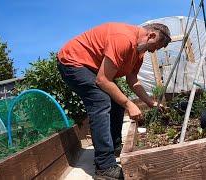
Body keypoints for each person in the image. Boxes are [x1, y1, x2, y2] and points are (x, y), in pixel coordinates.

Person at [56, 22, 171, 179]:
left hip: (94, 68)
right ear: (151, 35)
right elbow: (103, 80)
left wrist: (151, 102)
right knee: (101, 100)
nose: (153, 51)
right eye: (156, 46)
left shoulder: (138, 53)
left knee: (117, 100)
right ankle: (104, 167)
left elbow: (133, 81)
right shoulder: (123, 39)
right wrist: (129, 104)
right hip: (73, 61)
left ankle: (114, 146)